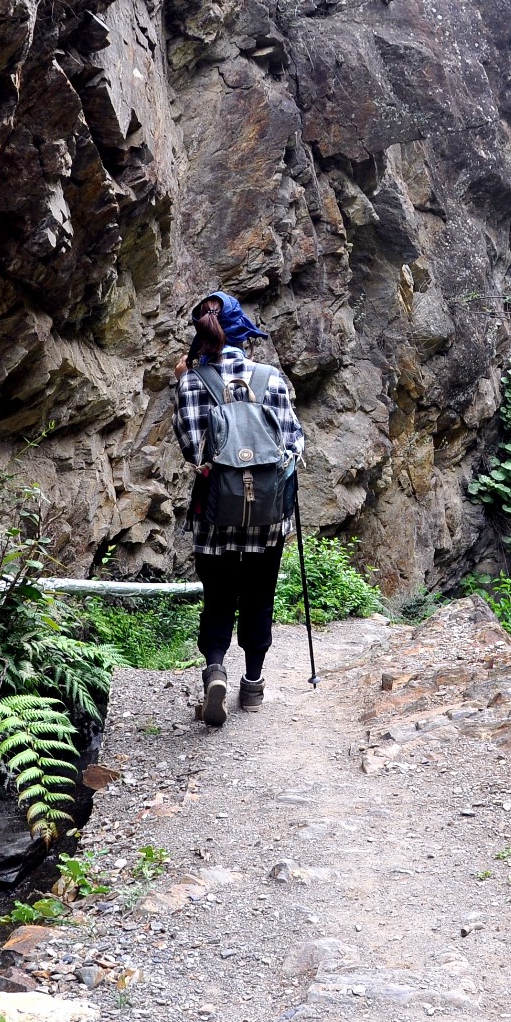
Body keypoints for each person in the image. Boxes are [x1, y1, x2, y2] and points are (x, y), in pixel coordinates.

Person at [172, 291, 305, 727]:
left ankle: (215, 671)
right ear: (242, 332)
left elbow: (194, 450)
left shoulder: (192, 382)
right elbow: (292, 445)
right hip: (266, 520)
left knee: (218, 599)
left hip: (214, 517)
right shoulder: (270, 377)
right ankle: (252, 685)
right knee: (259, 597)